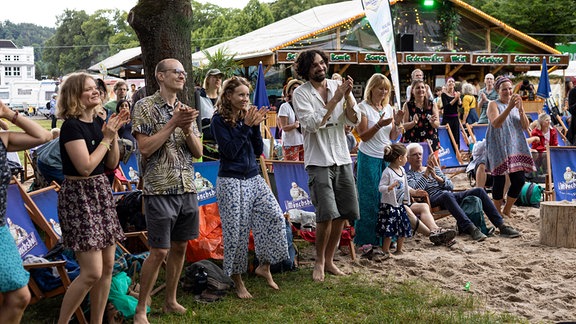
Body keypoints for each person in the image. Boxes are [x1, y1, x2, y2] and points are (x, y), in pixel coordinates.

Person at [131, 58, 203, 323]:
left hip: (186, 187)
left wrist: (186, 129)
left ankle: (170, 300)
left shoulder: (186, 109)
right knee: (159, 250)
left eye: (184, 72)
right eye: (177, 71)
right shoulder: (144, 106)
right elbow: (146, 148)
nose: (182, 76)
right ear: (160, 76)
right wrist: (173, 123)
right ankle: (141, 308)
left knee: (180, 246)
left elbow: (197, 153)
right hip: (160, 188)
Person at [56, 72, 130, 323]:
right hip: (80, 198)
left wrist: (114, 134)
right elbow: (85, 167)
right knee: (91, 273)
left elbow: (111, 162)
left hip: (101, 193)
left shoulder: (98, 122)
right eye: (88, 89)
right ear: (75, 96)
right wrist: (106, 138)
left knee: (108, 267)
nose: (95, 91)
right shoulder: (71, 126)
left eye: (95, 87)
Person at [211, 76, 289, 298]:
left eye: (247, 94)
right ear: (228, 96)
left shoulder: (248, 116)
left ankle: (264, 265)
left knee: (274, 216)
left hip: (253, 177)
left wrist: (255, 127)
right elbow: (230, 151)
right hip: (231, 180)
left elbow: (256, 150)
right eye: (241, 95)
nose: (245, 99)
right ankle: (237, 279)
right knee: (236, 231)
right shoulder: (219, 120)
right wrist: (246, 126)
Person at [292, 49, 360, 282]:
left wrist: (348, 96)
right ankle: (318, 261)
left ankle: (330, 260)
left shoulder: (336, 85)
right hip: (318, 160)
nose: (320, 67)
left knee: (343, 212)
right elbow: (311, 124)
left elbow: (354, 119)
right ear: (305, 70)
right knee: (326, 214)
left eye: (322, 63)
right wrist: (335, 99)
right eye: (314, 66)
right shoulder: (300, 94)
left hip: (342, 156)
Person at [0, 100, 51, 324]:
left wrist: (9, 114)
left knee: (20, 296)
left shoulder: (2, 138)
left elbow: (42, 136)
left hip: (1, 228)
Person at [406, 143, 520, 241]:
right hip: (432, 198)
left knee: (479, 191)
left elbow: (450, 186)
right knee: (446, 195)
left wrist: (436, 177)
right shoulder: (409, 175)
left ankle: (501, 226)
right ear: (408, 158)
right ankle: (470, 228)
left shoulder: (434, 169)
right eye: (414, 155)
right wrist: (426, 175)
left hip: (448, 194)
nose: (418, 157)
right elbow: (415, 191)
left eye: (420, 154)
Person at [353, 73, 402, 247]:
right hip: (368, 157)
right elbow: (363, 136)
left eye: (386, 89)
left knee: (387, 197)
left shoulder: (388, 107)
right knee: (369, 198)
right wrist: (379, 124)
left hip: (386, 157)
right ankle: (367, 239)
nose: (383, 92)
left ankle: (387, 238)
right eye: (380, 88)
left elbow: (393, 136)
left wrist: (396, 123)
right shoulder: (362, 107)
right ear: (371, 88)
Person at [486, 77, 536, 217]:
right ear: (498, 91)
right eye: (504, 89)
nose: (507, 92)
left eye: (509, 88)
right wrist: (509, 108)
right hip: (498, 145)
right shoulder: (493, 104)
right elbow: (496, 123)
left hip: (515, 145)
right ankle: (496, 211)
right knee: (500, 179)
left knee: (519, 180)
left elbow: (526, 127)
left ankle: (507, 208)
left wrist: (520, 110)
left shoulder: (516, 105)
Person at [376, 144, 413, 257]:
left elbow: (405, 185)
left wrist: (407, 199)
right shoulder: (388, 172)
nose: (407, 159)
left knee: (402, 226)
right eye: (406, 156)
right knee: (389, 229)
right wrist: (389, 188)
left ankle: (399, 249)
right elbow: (380, 187)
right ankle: (385, 250)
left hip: (400, 204)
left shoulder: (402, 170)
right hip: (389, 206)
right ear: (400, 158)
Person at [401, 79, 441, 153]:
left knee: (431, 164)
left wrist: (432, 122)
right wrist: (413, 122)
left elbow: (437, 124)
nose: (421, 89)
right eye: (418, 88)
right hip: (413, 141)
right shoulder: (407, 105)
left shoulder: (432, 104)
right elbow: (404, 126)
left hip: (430, 141)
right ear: (412, 91)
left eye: (422, 87)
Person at [197, 68, 224, 159]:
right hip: (204, 143)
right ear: (208, 79)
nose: (218, 79)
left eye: (219, 77)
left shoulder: (224, 99)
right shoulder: (198, 97)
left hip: (221, 142)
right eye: (215, 77)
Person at [277, 79, 304, 161]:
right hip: (291, 143)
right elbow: (284, 127)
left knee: (304, 169)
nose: (297, 90)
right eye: (294, 88)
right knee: (292, 169)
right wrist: (294, 125)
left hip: (304, 142)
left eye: (299, 89)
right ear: (289, 92)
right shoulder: (285, 106)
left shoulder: (303, 106)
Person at [441, 77, 462, 149]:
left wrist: (458, 99)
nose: (451, 83)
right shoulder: (444, 94)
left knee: (456, 137)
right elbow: (446, 107)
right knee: (447, 137)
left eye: (452, 82)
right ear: (446, 84)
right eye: (449, 82)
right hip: (447, 118)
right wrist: (455, 99)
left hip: (455, 118)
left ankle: (456, 154)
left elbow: (460, 105)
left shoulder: (456, 93)